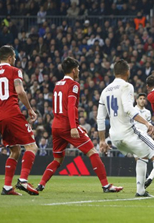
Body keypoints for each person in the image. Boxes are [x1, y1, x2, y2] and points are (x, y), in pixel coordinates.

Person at [97, 60, 154, 199]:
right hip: (129, 132)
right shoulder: (127, 86)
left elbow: (100, 118)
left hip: (114, 136)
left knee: (143, 156)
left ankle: (140, 190)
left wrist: (102, 140)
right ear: (127, 72)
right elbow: (128, 109)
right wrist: (146, 123)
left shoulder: (105, 91)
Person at [36, 57, 123, 193]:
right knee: (93, 152)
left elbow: (59, 107)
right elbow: (71, 107)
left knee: (57, 159)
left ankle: (41, 184)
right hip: (67, 126)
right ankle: (106, 185)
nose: (79, 71)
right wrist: (73, 127)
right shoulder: (74, 85)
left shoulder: (58, 84)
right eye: (77, 68)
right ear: (73, 70)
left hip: (56, 126)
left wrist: (76, 124)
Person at [0, 45, 39, 195]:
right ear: (11, 58)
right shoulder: (14, 71)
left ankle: (7, 187)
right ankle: (23, 181)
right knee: (32, 147)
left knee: (15, 151)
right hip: (12, 114)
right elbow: (20, 91)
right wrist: (30, 109)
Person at [132, 93, 152, 196]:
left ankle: (141, 188)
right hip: (135, 138)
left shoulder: (148, 112)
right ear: (137, 100)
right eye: (140, 99)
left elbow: (149, 124)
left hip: (146, 138)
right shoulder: (132, 110)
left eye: (144, 99)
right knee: (140, 160)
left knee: (143, 161)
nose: (142, 100)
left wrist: (151, 130)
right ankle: (140, 188)